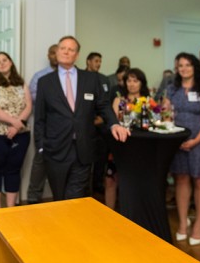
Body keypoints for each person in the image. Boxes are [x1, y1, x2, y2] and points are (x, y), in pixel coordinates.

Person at [34, 36, 129, 201]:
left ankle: (71, 226)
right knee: (59, 198)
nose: (66, 52)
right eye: (62, 48)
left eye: (71, 49)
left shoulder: (91, 79)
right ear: (56, 52)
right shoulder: (45, 82)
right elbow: (40, 118)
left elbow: (103, 105)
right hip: (55, 151)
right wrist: (41, 147)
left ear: (77, 55)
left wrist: (114, 124)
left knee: (75, 198)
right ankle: (62, 227)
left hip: (83, 150)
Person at [162, 53, 200, 246]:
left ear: (195, 67)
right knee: (181, 179)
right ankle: (183, 223)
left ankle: (198, 225)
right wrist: (173, 132)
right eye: (180, 66)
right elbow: (166, 113)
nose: (184, 69)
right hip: (178, 141)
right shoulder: (171, 89)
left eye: (188, 65)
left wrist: (195, 141)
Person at [0, 52, 32, 208]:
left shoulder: (21, 83)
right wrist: (14, 122)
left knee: (13, 170)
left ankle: (11, 209)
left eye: (4, 60)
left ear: (11, 62)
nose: (2, 64)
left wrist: (17, 126)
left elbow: (28, 106)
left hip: (21, 135)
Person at [108, 68, 150, 209]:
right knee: (111, 180)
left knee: (136, 181)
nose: (131, 84)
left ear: (141, 83)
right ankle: (109, 214)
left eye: (135, 81)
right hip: (120, 144)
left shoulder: (148, 101)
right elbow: (113, 121)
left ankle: (135, 212)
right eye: (128, 81)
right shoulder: (119, 99)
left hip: (140, 147)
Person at [26, 44, 58, 204]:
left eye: (57, 52)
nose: (55, 55)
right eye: (52, 52)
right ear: (48, 55)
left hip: (64, 130)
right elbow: (33, 100)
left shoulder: (72, 77)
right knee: (39, 165)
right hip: (44, 128)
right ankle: (32, 200)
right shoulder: (39, 77)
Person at [85, 52, 111, 195]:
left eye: (100, 61)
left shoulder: (104, 79)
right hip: (86, 124)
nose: (98, 64)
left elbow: (106, 101)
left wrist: (102, 117)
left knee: (101, 157)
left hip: (101, 124)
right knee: (86, 156)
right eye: (96, 61)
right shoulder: (81, 77)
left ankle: (97, 184)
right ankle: (84, 187)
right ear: (88, 62)